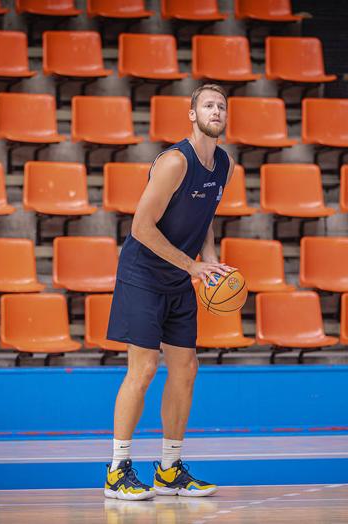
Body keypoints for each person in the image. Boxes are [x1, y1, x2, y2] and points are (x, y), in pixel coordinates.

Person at [104, 84, 235, 500]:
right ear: (192, 115)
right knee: (142, 369)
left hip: (180, 276)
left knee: (186, 368)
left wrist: (210, 261)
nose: (216, 110)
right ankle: (117, 470)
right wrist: (192, 265)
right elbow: (140, 228)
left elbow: (205, 215)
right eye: (208, 105)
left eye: (221, 106)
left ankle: (169, 469)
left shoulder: (224, 165)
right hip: (143, 274)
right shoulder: (175, 162)